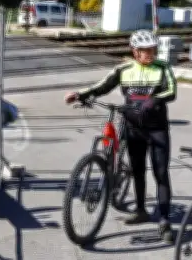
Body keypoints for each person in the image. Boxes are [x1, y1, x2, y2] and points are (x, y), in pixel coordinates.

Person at [64, 30, 178, 243]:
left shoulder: (163, 68)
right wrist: (80, 94)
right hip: (132, 127)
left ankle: (164, 220)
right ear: (135, 51)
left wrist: (153, 100)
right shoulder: (123, 69)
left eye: (153, 49)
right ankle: (141, 210)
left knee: (161, 173)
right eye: (145, 50)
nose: (150, 53)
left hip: (157, 129)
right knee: (137, 171)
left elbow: (171, 91)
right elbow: (102, 86)